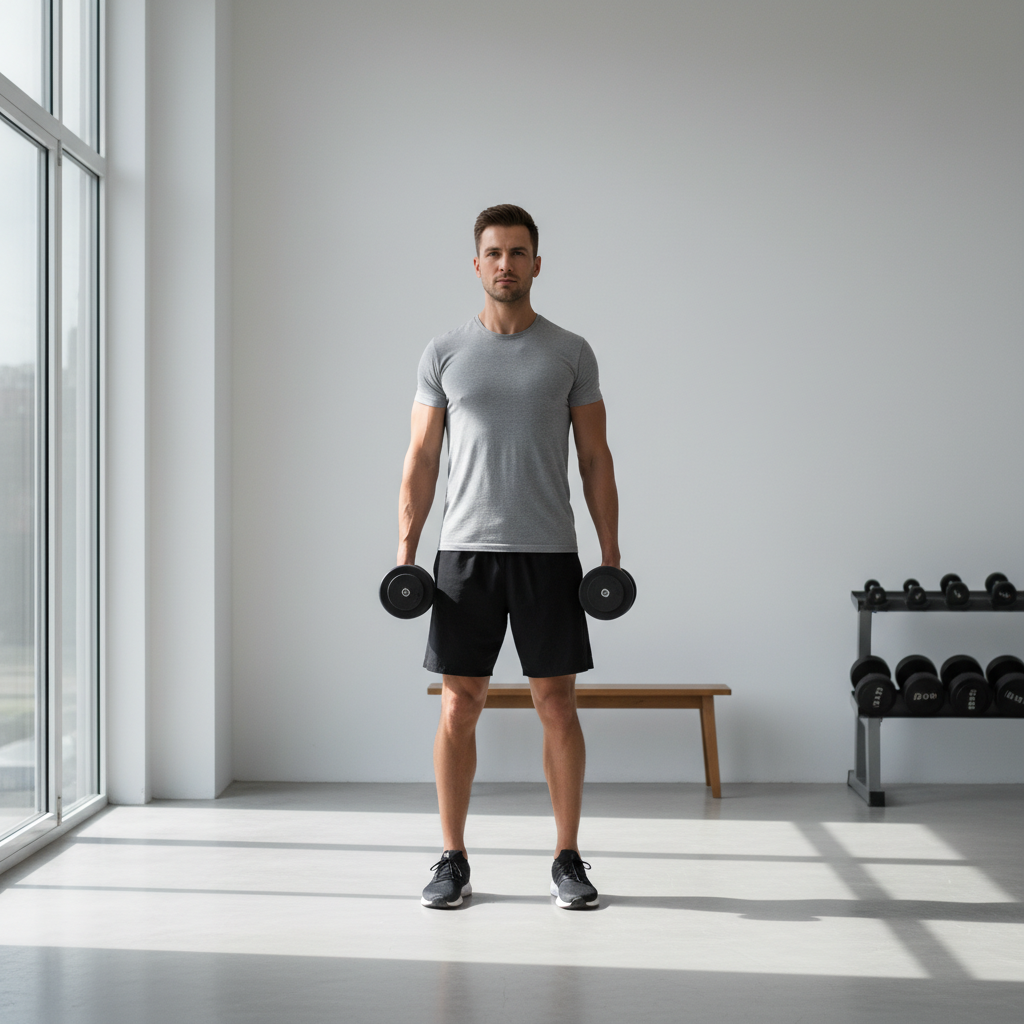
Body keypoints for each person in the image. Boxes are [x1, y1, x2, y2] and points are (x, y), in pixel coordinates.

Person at [396, 204, 621, 910]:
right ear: (476, 264)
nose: (505, 264)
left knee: (557, 704)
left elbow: (595, 458)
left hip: (549, 553)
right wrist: (406, 554)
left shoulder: (571, 352)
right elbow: (422, 458)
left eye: (518, 252)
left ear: (536, 263)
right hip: (463, 554)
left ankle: (567, 857)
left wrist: (610, 555)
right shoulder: (443, 353)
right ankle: (453, 859)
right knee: (460, 705)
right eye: (493, 253)